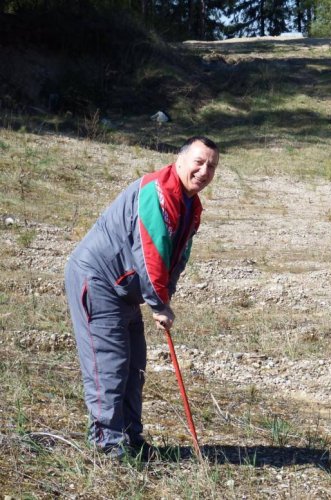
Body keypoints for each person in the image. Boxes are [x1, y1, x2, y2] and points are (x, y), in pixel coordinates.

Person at [64, 136, 220, 458]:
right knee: (110, 364)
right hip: (99, 280)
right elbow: (151, 253)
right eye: (199, 162)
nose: (204, 171)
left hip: (125, 288)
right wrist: (159, 304)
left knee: (135, 364)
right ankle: (108, 446)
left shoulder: (190, 205)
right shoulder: (157, 192)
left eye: (211, 166)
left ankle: (132, 440)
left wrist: (165, 297)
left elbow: (175, 259)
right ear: (180, 161)